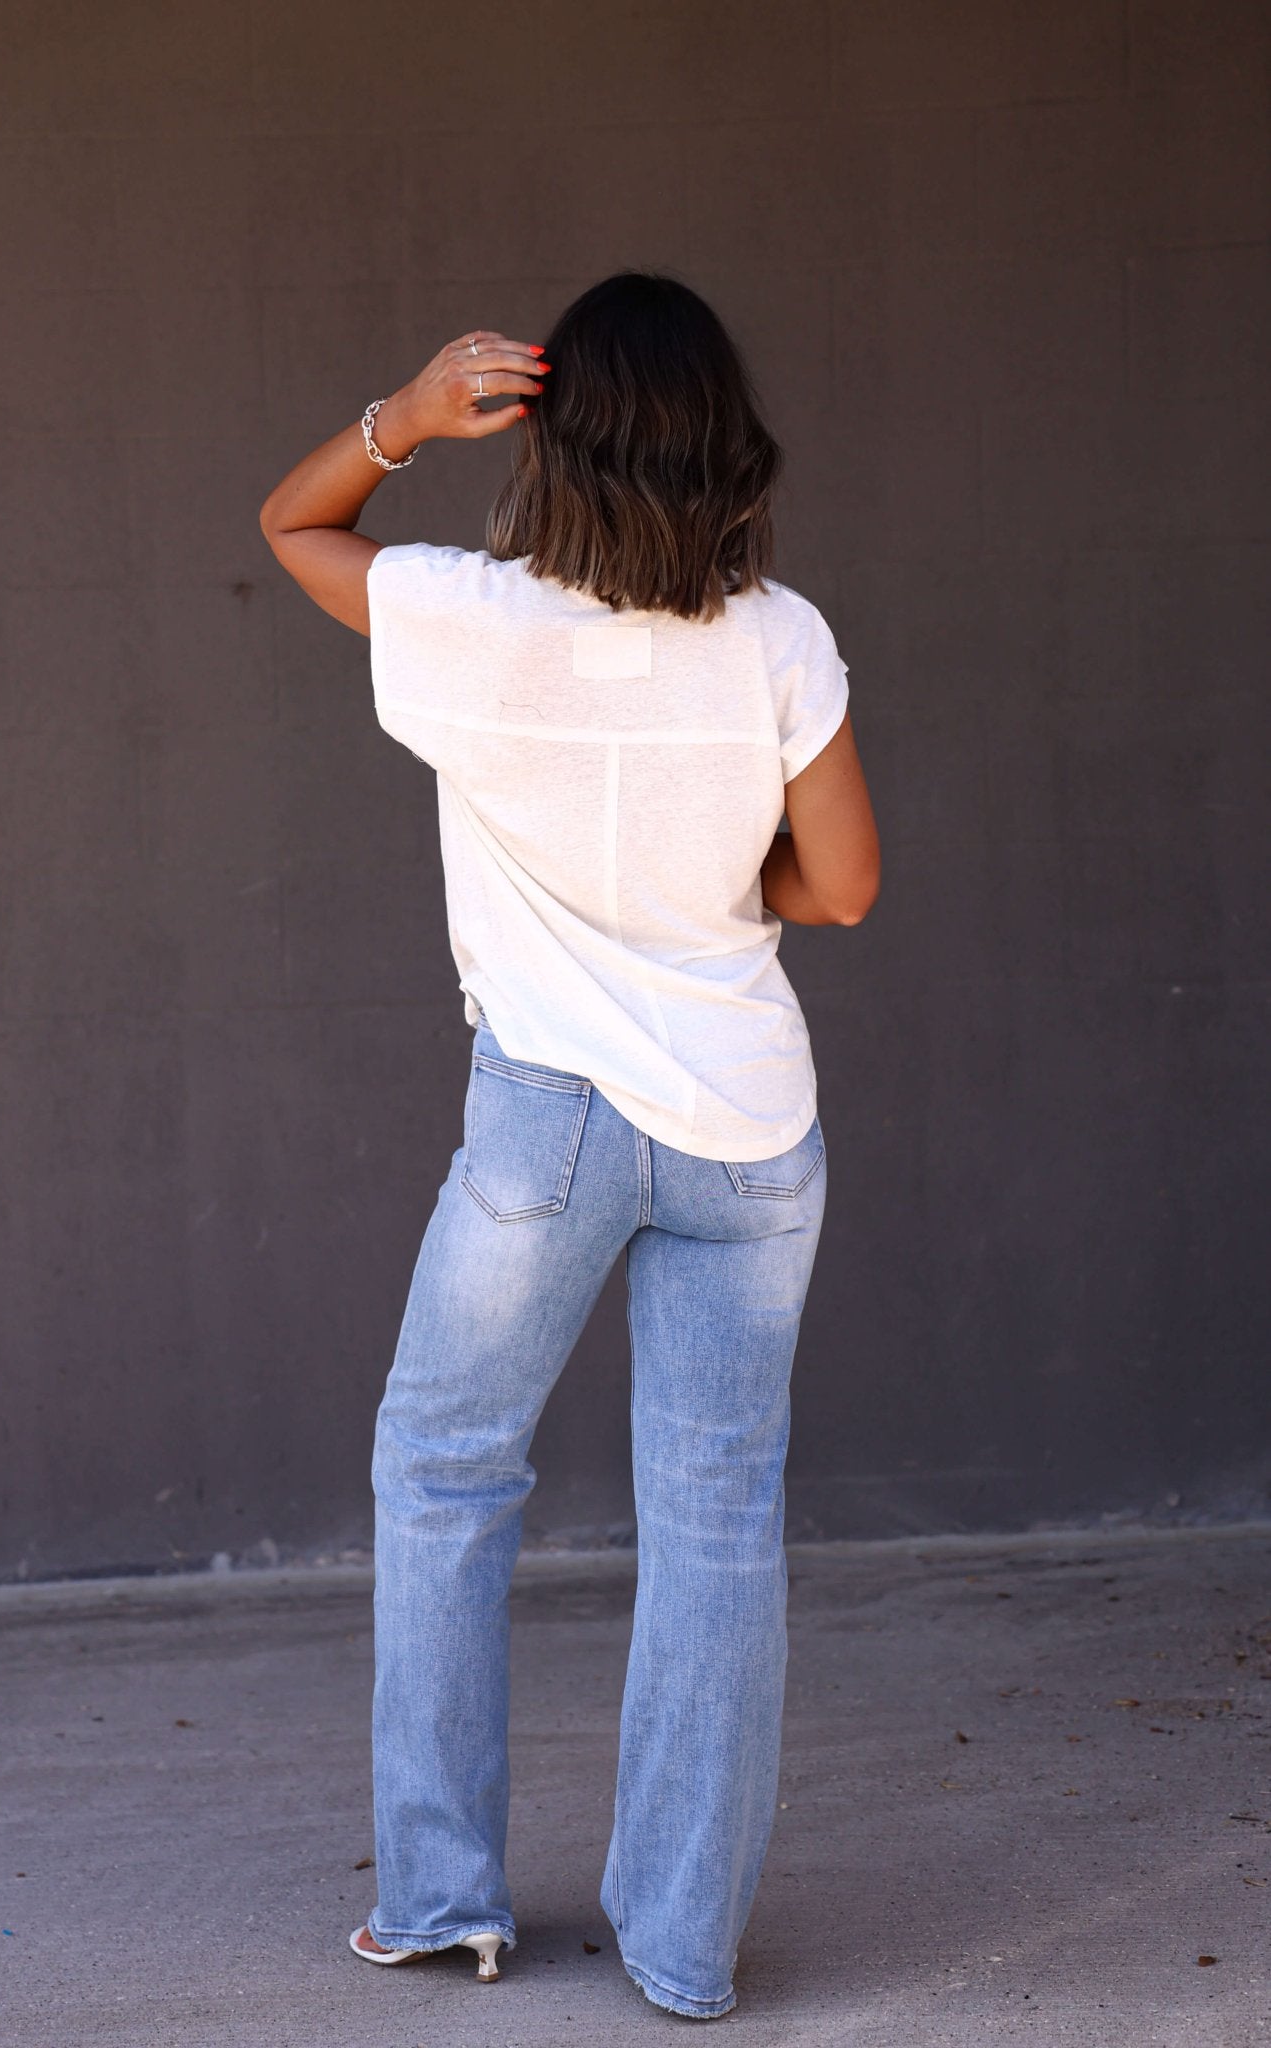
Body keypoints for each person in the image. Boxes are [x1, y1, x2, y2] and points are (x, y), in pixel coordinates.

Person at [259, 271, 880, 2021]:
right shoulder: (778, 638)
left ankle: (441, 1899)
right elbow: (840, 887)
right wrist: (710, 890)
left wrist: (404, 414)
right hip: (748, 1132)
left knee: (445, 1474)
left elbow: (291, 525)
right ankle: (683, 1952)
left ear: (554, 432)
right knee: (716, 1520)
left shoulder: (466, 621)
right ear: (720, 441)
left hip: (545, 1127)